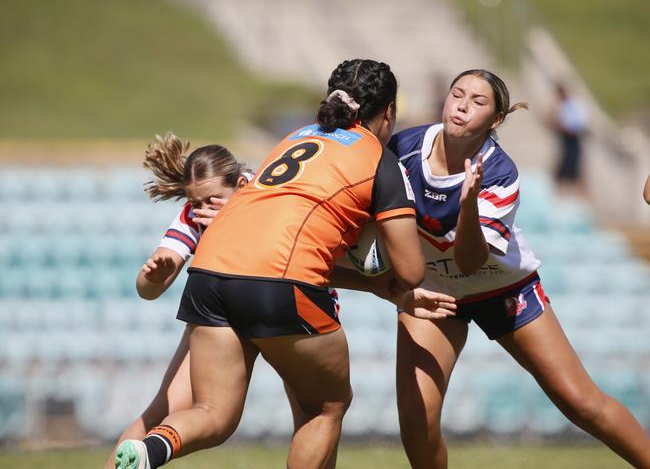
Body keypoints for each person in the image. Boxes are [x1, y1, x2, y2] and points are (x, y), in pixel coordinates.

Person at [114, 59, 441, 469]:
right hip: (282, 284)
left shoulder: (293, 138)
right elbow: (411, 273)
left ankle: (153, 448)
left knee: (215, 414)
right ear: (389, 112)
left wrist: (364, 277)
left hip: (210, 272)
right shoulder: (379, 159)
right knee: (328, 406)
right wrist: (374, 262)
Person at [384, 69, 650, 468]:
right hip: (435, 293)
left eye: (478, 102)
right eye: (458, 94)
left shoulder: (499, 171)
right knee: (416, 418)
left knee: (581, 404)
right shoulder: (402, 147)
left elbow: (471, 262)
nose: (462, 105)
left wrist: (468, 205)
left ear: (496, 120)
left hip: (504, 288)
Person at [103, 134, 252, 468]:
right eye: (194, 202)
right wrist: (156, 274)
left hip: (268, 303)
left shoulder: (270, 193)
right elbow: (147, 288)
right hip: (227, 313)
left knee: (312, 407)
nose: (201, 211)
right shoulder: (193, 215)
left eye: (212, 200)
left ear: (242, 184)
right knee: (164, 411)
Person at [548, 82, 588, 195]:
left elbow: (580, 122)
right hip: (566, 138)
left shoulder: (574, 104)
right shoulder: (562, 106)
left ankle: (580, 193)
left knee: (574, 164)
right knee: (565, 163)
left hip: (574, 137)